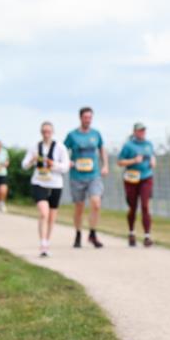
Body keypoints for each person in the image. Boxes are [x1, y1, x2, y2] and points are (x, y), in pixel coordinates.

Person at [22, 122, 70, 257]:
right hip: (39, 183)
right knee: (44, 213)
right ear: (41, 132)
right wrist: (32, 160)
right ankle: (42, 243)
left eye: (48, 131)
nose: (46, 134)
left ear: (53, 132)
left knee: (52, 217)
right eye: (44, 131)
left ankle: (46, 242)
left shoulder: (60, 147)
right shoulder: (35, 147)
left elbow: (66, 167)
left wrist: (53, 164)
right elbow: (24, 165)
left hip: (55, 184)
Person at [64, 106, 108, 248]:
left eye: (90, 117)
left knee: (96, 203)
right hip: (77, 176)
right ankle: (78, 234)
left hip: (93, 174)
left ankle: (92, 234)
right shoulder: (72, 135)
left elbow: (102, 149)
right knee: (79, 207)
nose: (88, 120)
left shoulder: (96, 134)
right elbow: (63, 149)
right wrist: (67, 161)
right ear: (80, 118)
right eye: (85, 117)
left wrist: (105, 165)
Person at [117, 122, 156, 247]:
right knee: (133, 207)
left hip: (146, 177)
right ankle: (131, 233)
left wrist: (153, 161)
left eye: (144, 130)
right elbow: (120, 162)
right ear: (134, 132)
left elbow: (152, 155)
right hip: (132, 179)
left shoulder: (149, 144)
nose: (142, 132)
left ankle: (147, 236)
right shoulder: (128, 146)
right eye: (140, 130)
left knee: (145, 206)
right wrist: (133, 160)